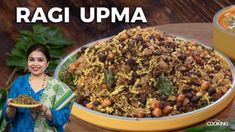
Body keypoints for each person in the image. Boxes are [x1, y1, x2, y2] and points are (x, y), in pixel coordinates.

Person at [2, 44, 75, 132]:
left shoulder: (58, 87)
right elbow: (8, 117)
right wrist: (11, 108)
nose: (35, 64)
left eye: (40, 60)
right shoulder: (19, 82)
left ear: (47, 63)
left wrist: (44, 109)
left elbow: (62, 118)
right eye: (31, 59)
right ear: (27, 62)